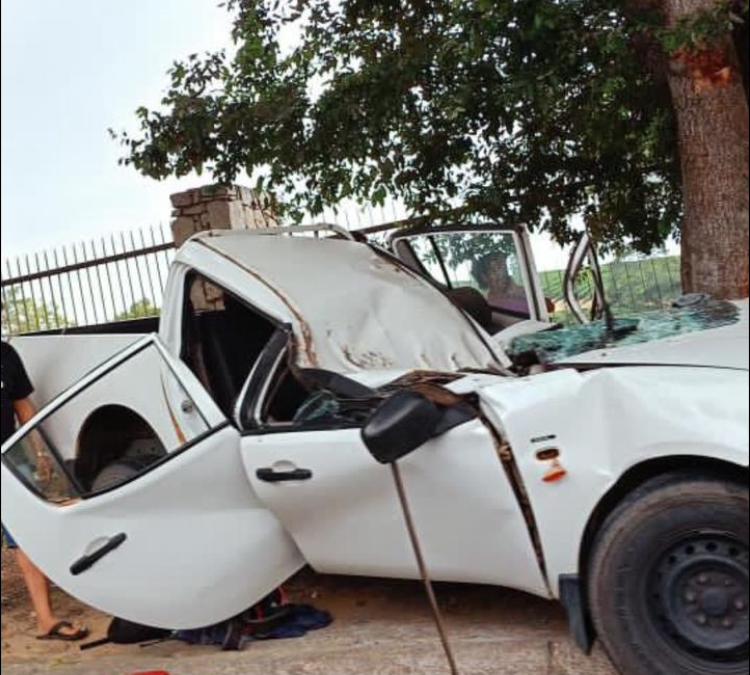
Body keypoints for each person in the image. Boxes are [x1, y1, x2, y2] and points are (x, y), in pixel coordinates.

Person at [1, 333, 89, 642]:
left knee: (26, 537)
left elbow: (22, 406)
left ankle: (45, 620)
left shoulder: (6, 355)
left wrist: (38, 450)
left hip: (9, 462)